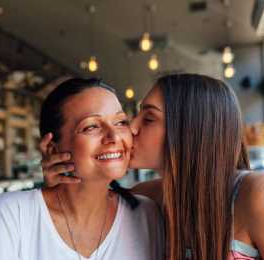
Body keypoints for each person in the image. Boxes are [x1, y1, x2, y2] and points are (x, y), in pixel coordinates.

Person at [41, 74, 264, 260]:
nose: (131, 128)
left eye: (148, 119)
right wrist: (62, 182)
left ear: (189, 130)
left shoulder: (254, 194)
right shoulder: (146, 198)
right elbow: (82, 210)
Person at [0, 78, 164, 260]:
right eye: (91, 126)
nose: (114, 137)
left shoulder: (146, 215)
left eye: (120, 122)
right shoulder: (14, 215)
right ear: (52, 148)